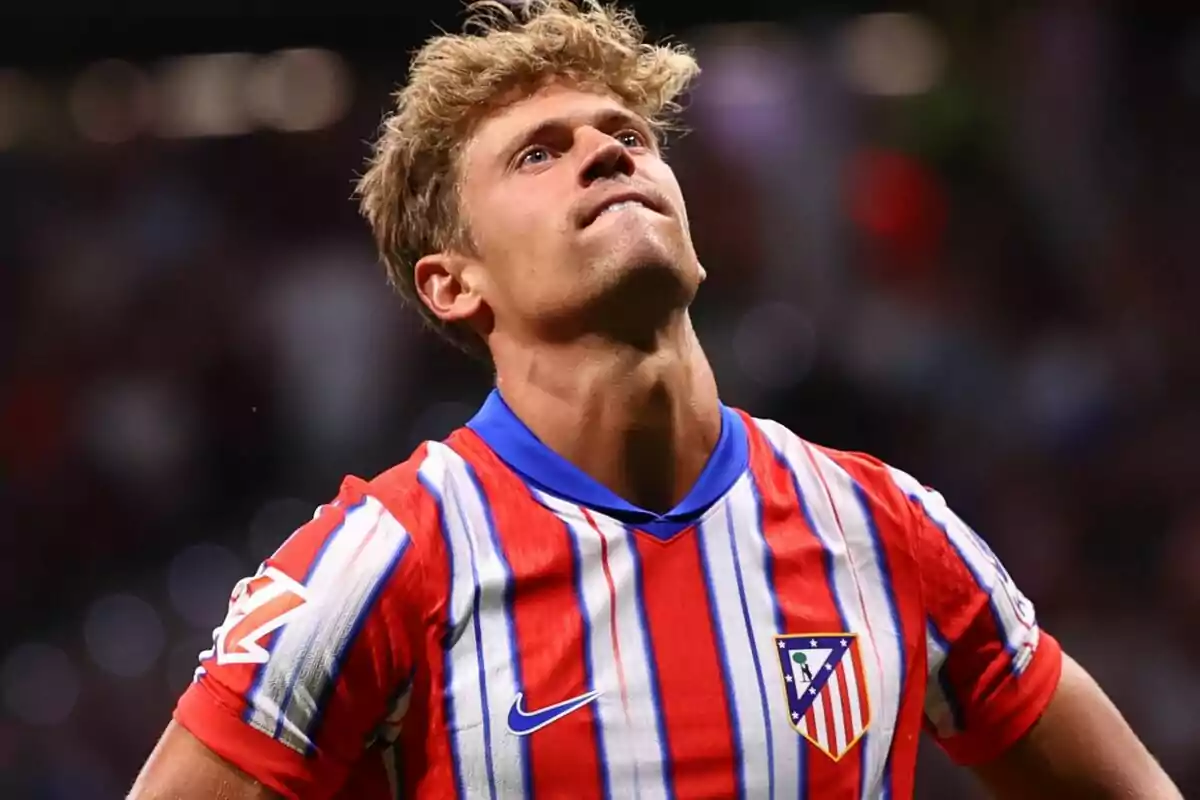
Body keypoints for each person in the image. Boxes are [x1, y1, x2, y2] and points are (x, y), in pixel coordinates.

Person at [130, 2, 1181, 798]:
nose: (606, 152)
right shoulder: (381, 563)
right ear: (453, 281)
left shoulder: (881, 525)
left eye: (626, 133)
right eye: (539, 154)